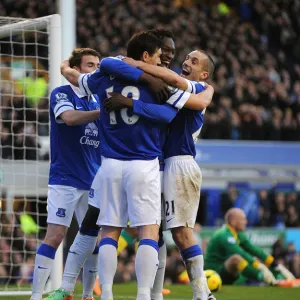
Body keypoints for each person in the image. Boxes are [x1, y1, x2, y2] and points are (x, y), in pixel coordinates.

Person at [105, 49, 216, 300]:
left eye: (194, 61)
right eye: (186, 58)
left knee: (181, 232)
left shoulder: (197, 88)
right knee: (153, 229)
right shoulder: (178, 91)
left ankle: (203, 294)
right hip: (161, 165)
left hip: (180, 164)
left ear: (204, 73)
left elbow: (173, 81)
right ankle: (156, 293)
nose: (186, 62)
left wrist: (133, 64)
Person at [30, 48, 102, 300]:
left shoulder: (98, 98)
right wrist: (102, 114)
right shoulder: (62, 93)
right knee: (56, 235)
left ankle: (87, 295)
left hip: (94, 179)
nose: (96, 69)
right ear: (77, 69)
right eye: (90, 65)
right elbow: (69, 118)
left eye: (98, 65)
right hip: (66, 178)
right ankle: (36, 295)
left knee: (92, 238)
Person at [204, 208, 296, 285]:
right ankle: (266, 279)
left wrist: (275, 264)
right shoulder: (223, 235)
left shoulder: (238, 234)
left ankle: (277, 277)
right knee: (236, 259)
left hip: (227, 273)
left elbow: (255, 250)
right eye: (243, 219)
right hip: (213, 273)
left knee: (254, 259)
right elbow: (240, 253)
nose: (246, 222)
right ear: (233, 221)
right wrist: (259, 267)